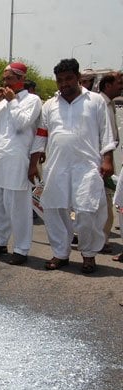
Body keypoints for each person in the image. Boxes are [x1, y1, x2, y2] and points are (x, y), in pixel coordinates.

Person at [33, 58, 115, 274]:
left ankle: (88, 255)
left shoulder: (95, 101)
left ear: (78, 78)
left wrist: (108, 159)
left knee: (88, 212)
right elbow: (41, 135)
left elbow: (106, 132)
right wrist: (34, 162)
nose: (64, 84)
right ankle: (61, 253)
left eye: (69, 78)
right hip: (57, 167)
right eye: (59, 80)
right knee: (54, 210)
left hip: (86, 167)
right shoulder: (49, 105)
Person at [0, 62, 42, 265]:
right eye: (3, 79)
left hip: (17, 160)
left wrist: (13, 101)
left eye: (9, 79)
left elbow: (21, 123)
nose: (5, 82)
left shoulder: (32, 100)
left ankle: (21, 249)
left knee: (18, 207)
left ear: (20, 79)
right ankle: (0, 241)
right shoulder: (5, 101)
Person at [97, 71, 122, 253]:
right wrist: (105, 160)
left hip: (106, 160)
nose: (121, 86)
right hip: (99, 161)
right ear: (107, 85)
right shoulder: (100, 104)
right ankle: (99, 241)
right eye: (118, 83)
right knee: (103, 203)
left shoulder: (109, 103)